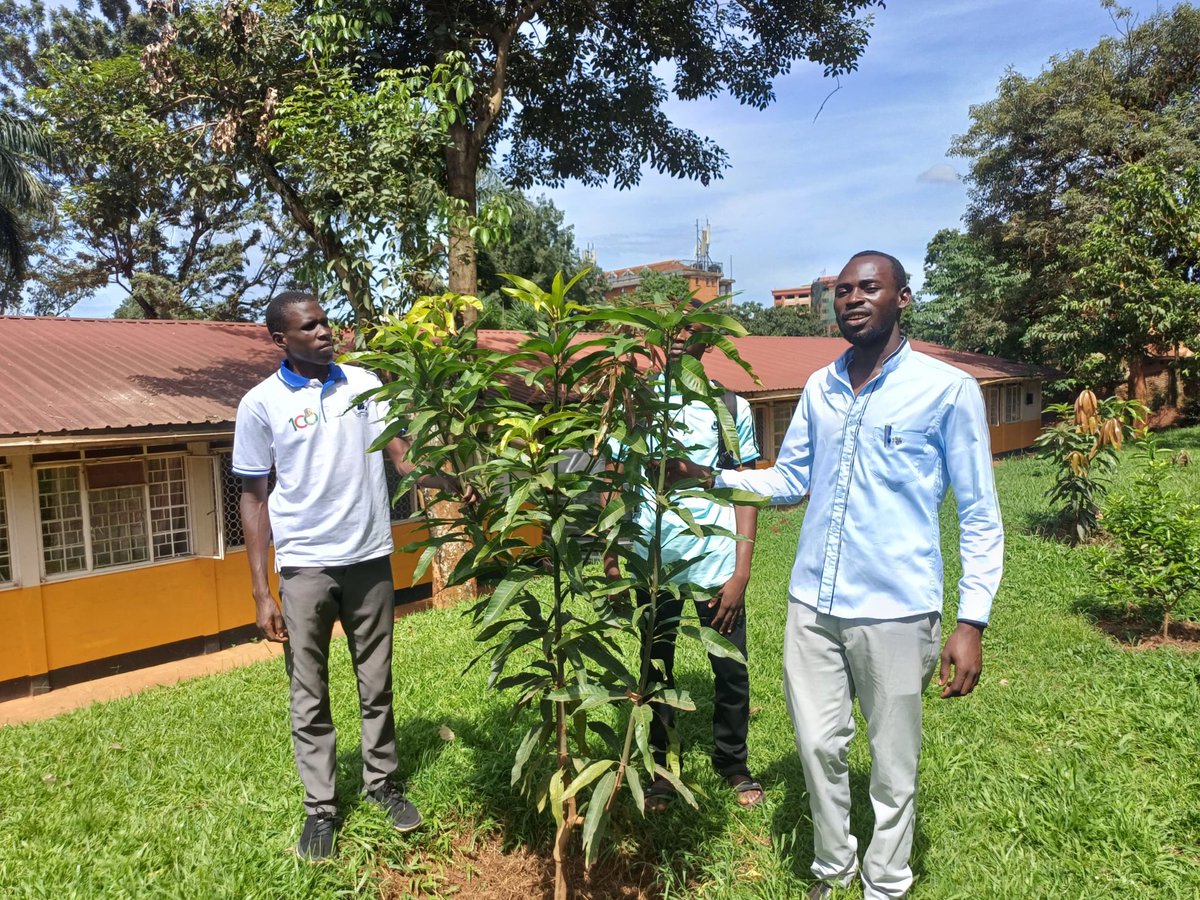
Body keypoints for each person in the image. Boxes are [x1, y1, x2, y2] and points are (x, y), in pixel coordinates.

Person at [691, 252, 1003, 899]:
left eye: (869, 288)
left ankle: (885, 885)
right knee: (817, 749)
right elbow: (791, 480)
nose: (853, 299)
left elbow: (978, 512)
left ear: (902, 299)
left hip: (896, 609)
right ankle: (832, 870)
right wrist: (712, 479)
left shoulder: (945, 392)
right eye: (843, 291)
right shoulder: (820, 388)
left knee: (892, 764)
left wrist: (972, 619)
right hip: (813, 606)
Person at [233, 291, 470, 860]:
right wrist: (262, 591)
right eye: (309, 326)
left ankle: (382, 785)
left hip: (368, 558)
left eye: (325, 322)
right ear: (279, 339)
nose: (324, 332)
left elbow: (403, 460)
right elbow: (253, 497)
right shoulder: (260, 404)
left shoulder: (364, 384)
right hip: (305, 567)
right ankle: (320, 810)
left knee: (376, 681)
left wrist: (460, 482)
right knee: (308, 692)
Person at [603, 316, 765, 813]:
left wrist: (741, 572)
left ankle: (732, 763)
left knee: (730, 671)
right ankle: (656, 768)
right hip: (654, 568)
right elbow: (615, 480)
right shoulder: (637, 407)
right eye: (665, 335)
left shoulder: (728, 406)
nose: (675, 343)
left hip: (715, 565)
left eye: (685, 334)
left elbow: (745, 490)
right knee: (655, 670)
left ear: (703, 342)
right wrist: (612, 552)